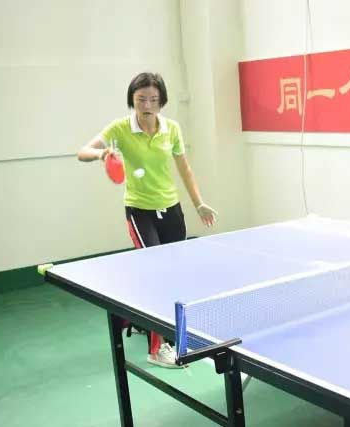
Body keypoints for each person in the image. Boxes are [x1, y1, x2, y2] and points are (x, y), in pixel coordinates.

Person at [78, 72, 217, 368]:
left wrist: (199, 204)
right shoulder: (120, 129)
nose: (147, 105)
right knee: (157, 275)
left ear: (161, 101)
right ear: (132, 100)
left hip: (171, 210)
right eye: (141, 99)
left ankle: (159, 325)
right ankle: (157, 349)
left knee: (175, 275)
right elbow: (83, 152)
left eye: (154, 99)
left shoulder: (172, 129)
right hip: (140, 211)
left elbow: (185, 169)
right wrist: (103, 155)